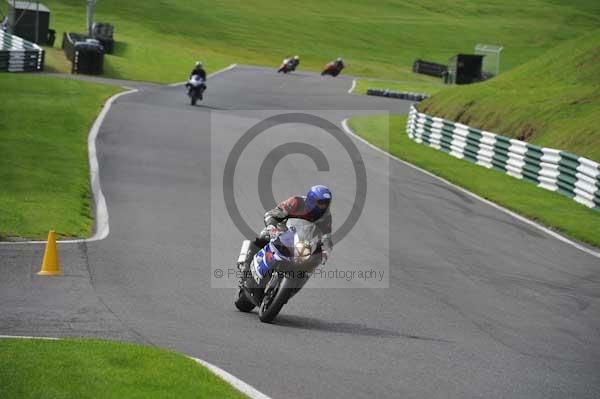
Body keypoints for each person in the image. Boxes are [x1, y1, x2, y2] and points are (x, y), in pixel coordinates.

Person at [251, 185, 333, 282]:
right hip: (281, 231)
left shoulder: (325, 217)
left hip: (303, 243)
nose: (324, 206)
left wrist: (325, 252)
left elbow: (326, 237)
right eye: (321, 203)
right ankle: (247, 261)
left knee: (312, 262)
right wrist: (272, 226)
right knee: (263, 237)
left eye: (326, 203)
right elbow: (274, 213)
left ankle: (294, 285)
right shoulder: (296, 202)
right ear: (312, 200)